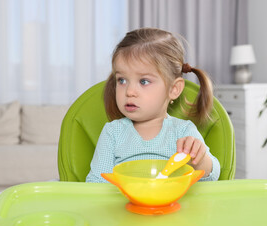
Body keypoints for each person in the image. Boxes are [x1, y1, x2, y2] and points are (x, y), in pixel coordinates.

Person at [86, 28, 220, 183]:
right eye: (122, 80)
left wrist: (200, 160)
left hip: (174, 206)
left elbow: (212, 177)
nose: (129, 91)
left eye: (144, 81)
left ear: (173, 89)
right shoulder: (113, 133)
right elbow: (96, 183)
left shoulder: (183, 131)